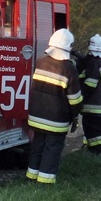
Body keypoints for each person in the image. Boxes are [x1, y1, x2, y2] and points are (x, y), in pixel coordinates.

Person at [25, 29, 83, 185]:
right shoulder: (68, 68)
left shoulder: (40, 61)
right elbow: (75, 99)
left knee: (38, 145)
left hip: (36, 115)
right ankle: (45, 181)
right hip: (56, 120)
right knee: (52, 148)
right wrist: (76, 114)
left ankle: (31, 177)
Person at [78, 34, 101, 155]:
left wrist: (80, 98)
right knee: (95, 131)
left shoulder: (93, 62)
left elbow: (90, 83)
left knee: (93, 132)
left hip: (91, 105)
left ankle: (97, 153)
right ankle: (93, 151)